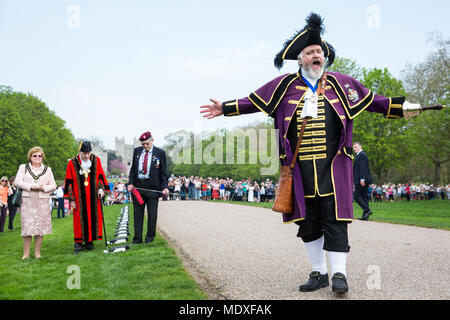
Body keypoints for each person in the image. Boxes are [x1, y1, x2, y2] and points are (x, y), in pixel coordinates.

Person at [200, 13, 423, 294]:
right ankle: (319, 272)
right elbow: (253, 101)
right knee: (308, 222)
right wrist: (226, 108)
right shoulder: (283, 86)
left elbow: (374, 101)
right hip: (300, 170)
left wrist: (403, 108)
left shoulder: (342, 83)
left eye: (319, 51)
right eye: (310, 52)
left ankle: (339, 275)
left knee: (335, 219)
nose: (316, 55)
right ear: (301, 59)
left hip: (334, 168)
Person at [63, 141, 110, 254]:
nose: (87, 156)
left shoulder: (96, 160)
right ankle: (78, 244)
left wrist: (101, 189)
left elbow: (100, 176)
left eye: (88, 153)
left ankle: (89, 242)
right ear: (80, 152)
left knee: (93, 218)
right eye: (84, 153)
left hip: (93, 197)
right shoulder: (72, 163)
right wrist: (71, 199)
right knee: (79, 221)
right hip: (79, 198)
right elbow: (68, 182)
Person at [13, 147, 57, 259]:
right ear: (30, 157)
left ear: (42, 157)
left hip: (42, 200)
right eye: (35, 155)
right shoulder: (23, 167)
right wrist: (31, 186)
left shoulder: (48, 169)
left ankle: (37, 254)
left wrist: (43, 188)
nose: (37, 157)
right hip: (27, 200)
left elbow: (53, 185)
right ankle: (25, 254)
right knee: (27, 228)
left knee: (40, 228)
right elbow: (17, 182)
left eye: (39, 156)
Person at [127, 131, 169, 244]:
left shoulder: (160, 153)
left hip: (153, 188)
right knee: (138, 214)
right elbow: (133, 170)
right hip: (138, 188)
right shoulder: (136, 152)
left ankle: (149, 238)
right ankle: (137, 238)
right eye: (143, 144)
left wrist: (165, 187)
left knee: (152, 215)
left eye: (147, 143)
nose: (145, 146)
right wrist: (130, 183)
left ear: (152, 141)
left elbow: (164, 172)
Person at [353, 142, 373, 220]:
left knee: (356, 196)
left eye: (356, 147)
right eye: (353, 147)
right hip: (363, 179)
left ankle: (367, 210)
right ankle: (366, 216)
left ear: (360, 147)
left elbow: (362, 168)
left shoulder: (361, 155)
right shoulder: (359, 155)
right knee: (364, 197)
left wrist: (362, 179)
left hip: (361, 180)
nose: (354, 149)